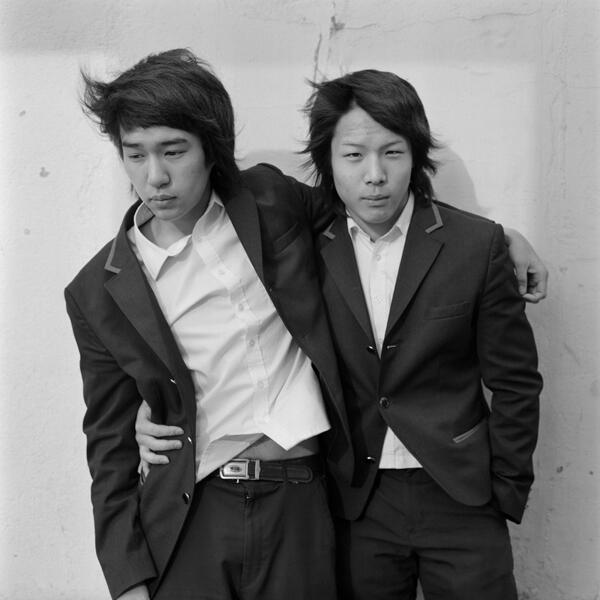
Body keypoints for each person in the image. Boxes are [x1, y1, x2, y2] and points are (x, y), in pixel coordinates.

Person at [138, 68, 543, 599]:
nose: (374, 175)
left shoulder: (475, 245)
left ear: (416, 155)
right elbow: (182, 236)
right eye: (353, 155)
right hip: (355, 501)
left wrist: (505, 490)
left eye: (392, 153)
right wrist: (153, 407)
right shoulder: (304, 240)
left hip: (462, 495)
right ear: (327, 162)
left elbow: (516, 382)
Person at [65, 49, 352, 600]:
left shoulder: (269, 200)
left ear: (211, 148)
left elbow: (366, 218)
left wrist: (500, 238)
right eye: (134, 154)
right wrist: (128, 582)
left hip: (300, 503)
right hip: (192, 515)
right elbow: (108, 446)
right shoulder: (97, 291)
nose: (155, 176)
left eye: (174, 151)